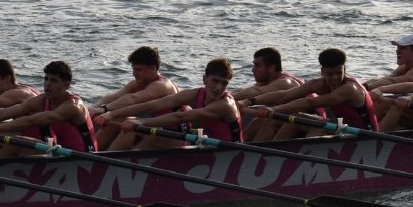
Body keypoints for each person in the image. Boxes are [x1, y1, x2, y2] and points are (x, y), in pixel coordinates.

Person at [0, 60, 96, 157]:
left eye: (54, 81)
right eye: (46, 79)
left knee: (16, 141)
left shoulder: (73, 107)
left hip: (80, 156)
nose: (47, 84)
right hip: (56, 149)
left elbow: (34, 119)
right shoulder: (42, 100)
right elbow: (4, 113)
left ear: (66, 85)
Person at [107, 57, 243, 149]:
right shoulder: (194, 94)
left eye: (224, 83)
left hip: (229, 152)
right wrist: (111, 114)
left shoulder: (226, 104)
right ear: (205, 79)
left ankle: (116, 167)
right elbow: (153, 105)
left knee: (153, 137)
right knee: (147, 135)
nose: (219, 88)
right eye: (215, 81)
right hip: (208, 146)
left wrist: (141, 122)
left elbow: (181, 117)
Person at [247, 48, 379, 140]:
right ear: (322, 71)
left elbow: (310, 102)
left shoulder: (351, 89)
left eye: (339, 73)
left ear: (344, 69)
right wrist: (248, 102)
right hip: (340, 127)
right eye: (330, 74)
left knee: (318, 130)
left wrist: (273, 109)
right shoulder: (319, 84)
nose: (334, 78)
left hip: (364, 135)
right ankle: (260, 156)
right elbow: (284, 95)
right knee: (286, 119)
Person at [89, 45, 179, 150]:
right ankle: (91, 152)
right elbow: (114, 96)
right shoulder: (138, 83)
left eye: (138, 70)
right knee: (118, 118)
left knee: (130, 124)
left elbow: (133, 98)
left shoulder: (162, 85)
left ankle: (104, 160)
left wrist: (103, 109)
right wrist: (93, 108)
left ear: (153, 69)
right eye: (133, 69)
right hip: (153, 126)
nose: (134, 73)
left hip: (171, 133)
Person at [230, 47, 306, 142]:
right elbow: (247, 90)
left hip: (305, 124)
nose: (253, 70)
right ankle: (237, 147)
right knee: (258, 121)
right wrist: (225, 97)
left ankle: (244, 152)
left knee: (262, 121)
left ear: (271, 68)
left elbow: (257, 92)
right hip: (288, 121)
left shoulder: (285, 82)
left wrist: (227, 98)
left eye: (257, 66)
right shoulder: (269, 80)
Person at [364, 35, 413, 123]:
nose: (397, 50)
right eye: (398, 47)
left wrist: (365, 89)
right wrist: (362, 86)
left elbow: (392, 82)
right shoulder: (404, 67)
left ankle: (370, 130)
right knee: (379, 99)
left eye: (402, 48)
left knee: (385, 102)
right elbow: (385, 79)